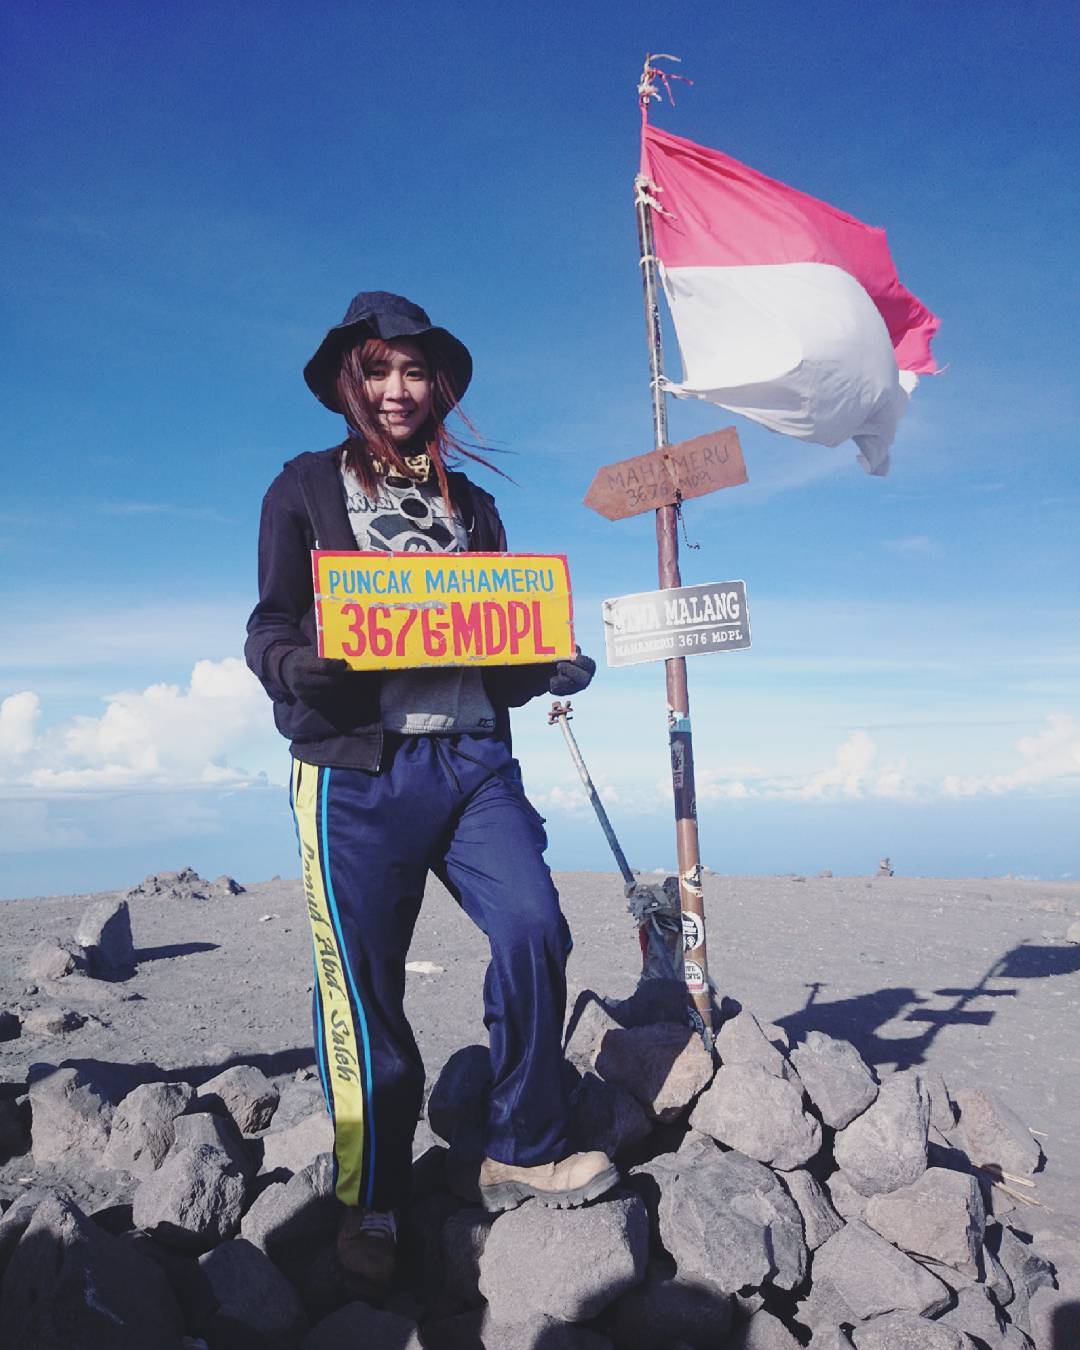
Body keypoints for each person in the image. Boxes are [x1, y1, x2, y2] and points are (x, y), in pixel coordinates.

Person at [245, 291, 617, 1287]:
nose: (399, 389)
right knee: (363, 993)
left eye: (414, 371)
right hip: (355, 776)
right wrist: (296, 669)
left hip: (472, 764)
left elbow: (496, 645)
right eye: (378, 372)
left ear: (437, 382)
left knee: (534, 926)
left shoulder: (471, 503)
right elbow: (269, 622)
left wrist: (549, 666)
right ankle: (370, 1204)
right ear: (347, 383)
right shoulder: (304, 488)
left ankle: (521, 1144)